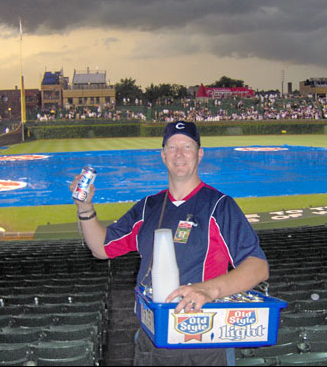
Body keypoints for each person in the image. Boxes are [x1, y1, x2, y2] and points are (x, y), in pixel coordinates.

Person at [70, 120, 269, 366]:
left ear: (199, 154)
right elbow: (101, 249)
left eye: (187, 146)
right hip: (153, 337)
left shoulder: (220, 205)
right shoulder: (147, 207)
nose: (179, 154)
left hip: (202, 339)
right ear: (163, 156)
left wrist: (208, 290)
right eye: (172, 147)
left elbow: (258, 265)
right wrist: (85, 207)